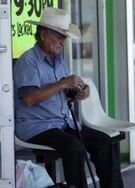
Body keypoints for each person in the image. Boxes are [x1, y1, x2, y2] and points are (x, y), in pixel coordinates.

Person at [14, 7, 124, 188]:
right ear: (42, 35)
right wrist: (63, 83)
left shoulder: (58, 61)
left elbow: (63, 91)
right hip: (36, 126)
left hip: (62, 123)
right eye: (59, 35)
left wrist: (79, 91)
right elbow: (29, 99)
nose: (62, 40)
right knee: (74, 147)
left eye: (64, 36)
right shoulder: (28, 61)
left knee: (103, 141)